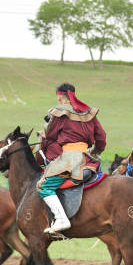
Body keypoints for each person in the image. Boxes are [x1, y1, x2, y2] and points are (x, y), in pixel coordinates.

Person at [37, 83, 106, 234]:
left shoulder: (60, 113)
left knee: (43, 187)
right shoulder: (89, 113)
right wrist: (96, 152)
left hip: (69, 159)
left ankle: (61, 220)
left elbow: (50, 136)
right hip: (88, 160)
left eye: (59, 99)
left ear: (62, 98)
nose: (59, 102)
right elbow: (101, 137)